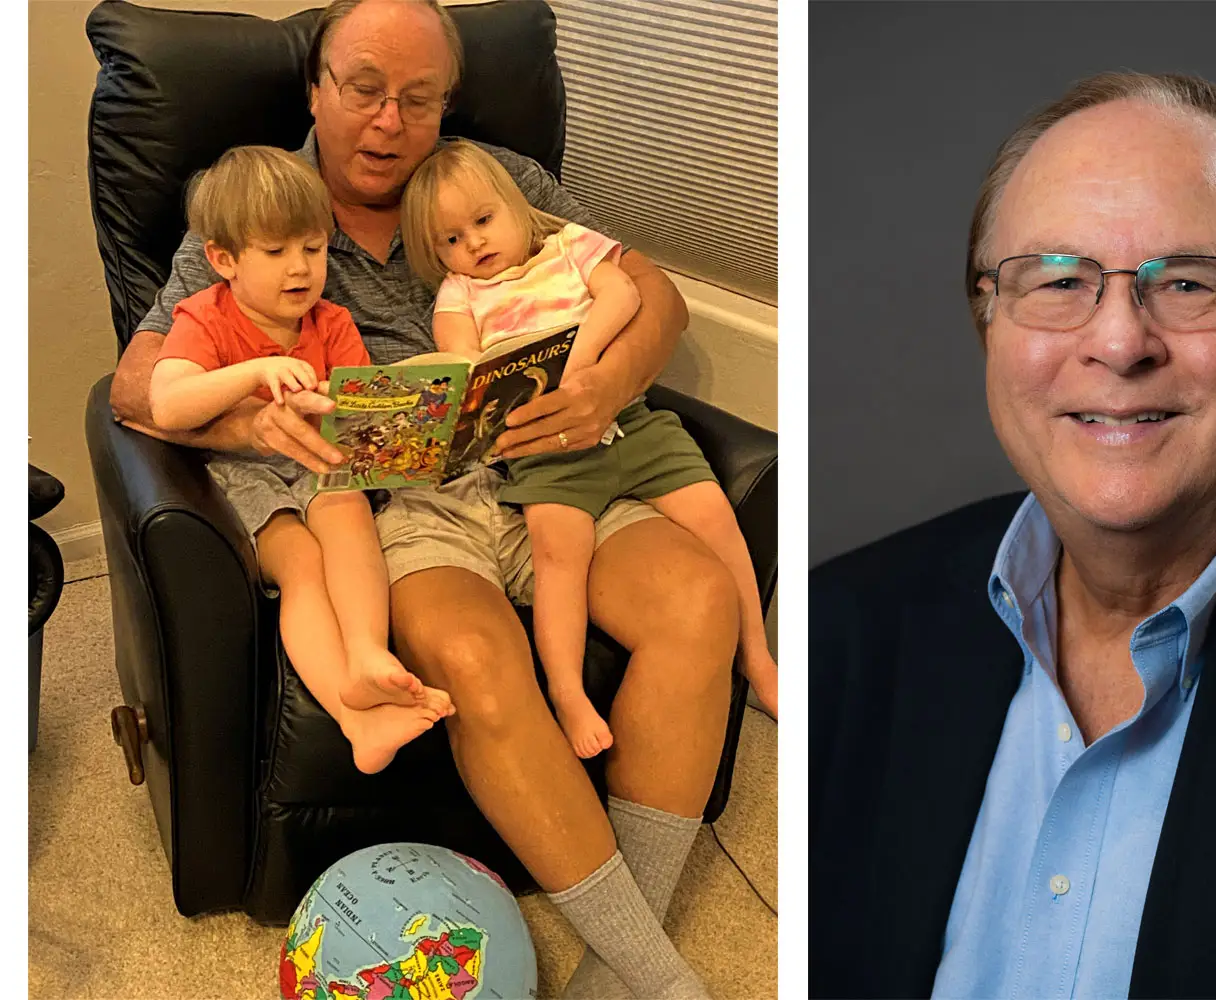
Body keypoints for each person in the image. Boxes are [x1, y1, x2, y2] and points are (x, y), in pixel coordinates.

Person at [108, 1, 737, 996]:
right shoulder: (262, 203)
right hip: (398, 503)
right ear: (317, 85)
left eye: (419, 98)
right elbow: (138, 384)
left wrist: (604, 390)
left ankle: (627, 965)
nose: (390, 123)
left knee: (698, 597)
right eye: (364, 90)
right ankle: (661, 975)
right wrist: (245, 418)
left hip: (552, 466)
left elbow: (649, 289)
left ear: (448, 101)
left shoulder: (502, 181)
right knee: (477, 653)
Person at [810, 71, 1216, 999]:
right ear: (990, 333)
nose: (1120, 342)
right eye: (1058, 281)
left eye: (1191, 282)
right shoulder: (839, 629)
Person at [400, 139, 779, 757]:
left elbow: (625, 296)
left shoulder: (570, 246)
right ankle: (567, 692)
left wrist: (578, 361)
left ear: (517, 206)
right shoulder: (460, 293)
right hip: (542, 452)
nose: (472, 243)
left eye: (484, 219)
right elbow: (462, 362)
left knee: (716, 518)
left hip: (631, 424)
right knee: (558, 556)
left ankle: (759, 660)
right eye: (450, 239)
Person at [149, 145, 454, 775]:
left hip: (319, 462)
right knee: (303, 565)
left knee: (346, 508)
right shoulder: (203, 318)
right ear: (223, 259)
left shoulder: (332, 321)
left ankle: (368, 657)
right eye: (277, 251)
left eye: (313, 249)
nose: (301, 268)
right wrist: (254, 370)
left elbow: (361, 409)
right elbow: (168, 404)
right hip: (243, 473)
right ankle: (353, 717)